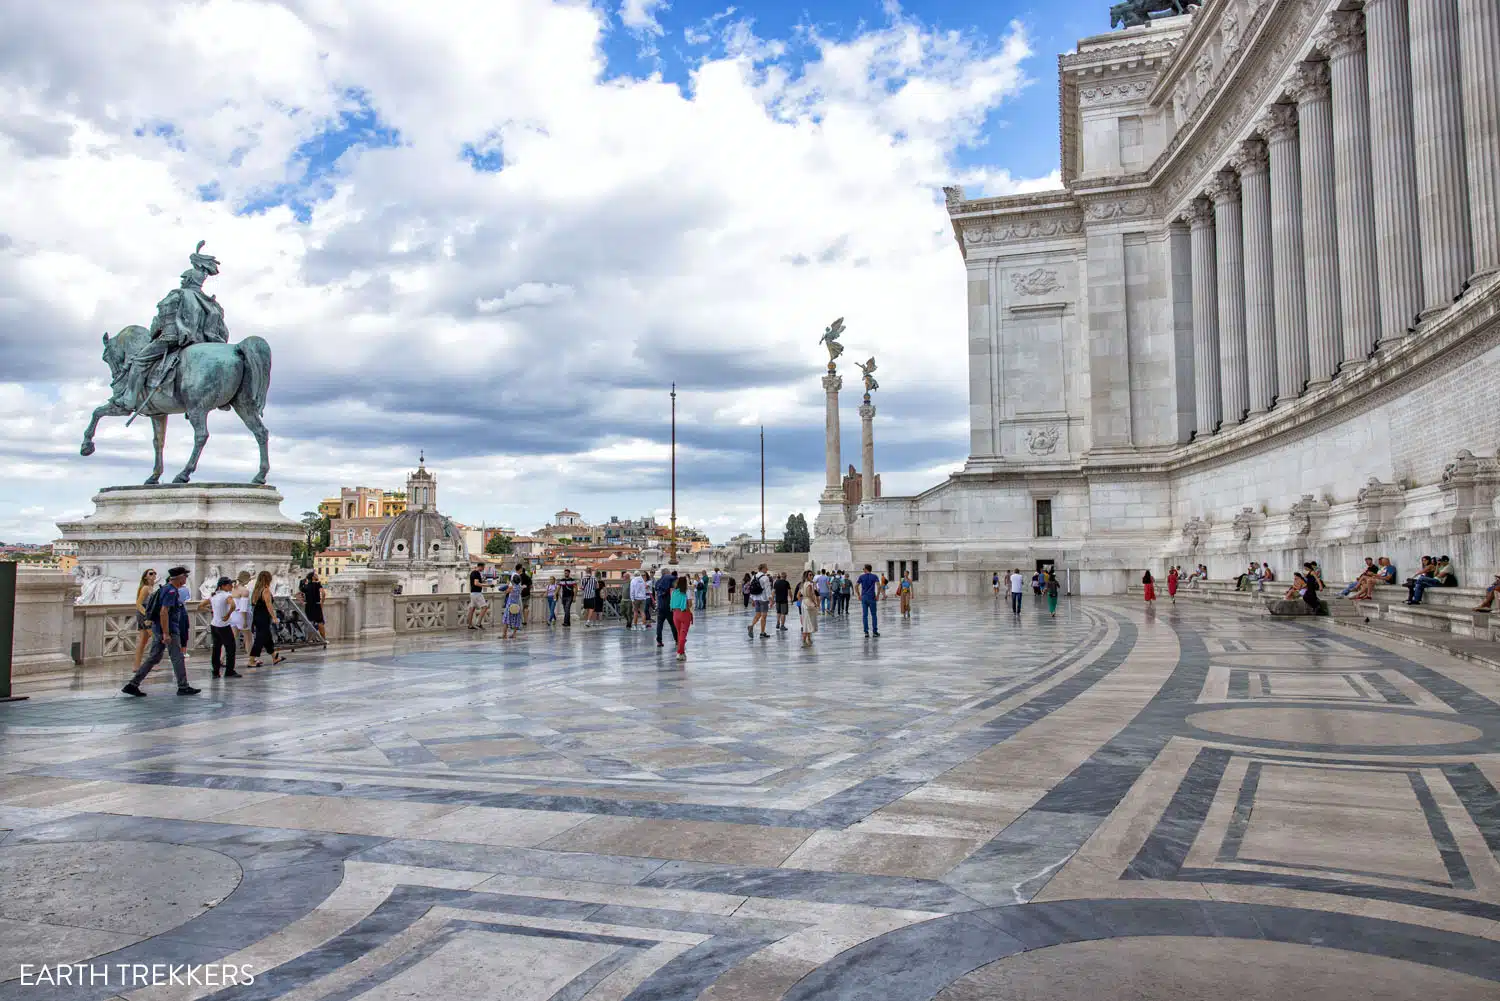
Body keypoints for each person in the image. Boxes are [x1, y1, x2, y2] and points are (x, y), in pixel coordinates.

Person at [122, 566, 199, 697]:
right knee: (177, 657)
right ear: (179, 578)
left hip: (159, 628)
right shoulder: (171, 591)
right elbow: (164, 612)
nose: (186, 578)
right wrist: (166, 633)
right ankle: (183, 686)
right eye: (185, 576)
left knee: (153, 657)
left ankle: (132, 684)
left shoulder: (164, 589)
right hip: (168, 629)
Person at [247, 570, 285, 667]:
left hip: (257, 616)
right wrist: (274, 617)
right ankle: (251, 660)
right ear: (268, 579)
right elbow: (269, 606)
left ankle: (274, 657)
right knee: (260, 639)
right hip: (263, 617)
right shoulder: (265, 590)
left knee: (267, 637)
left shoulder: (257, 590)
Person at [205, 575, 241, 678]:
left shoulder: (214, 596)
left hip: (214, 624)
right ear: (224, 586)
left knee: (216, 648)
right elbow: (233, 605)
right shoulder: (226, 595)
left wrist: (209, 610)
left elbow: (201, 605)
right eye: (230, 585)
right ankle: (229, 671)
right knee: (230, 647)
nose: (231, 587)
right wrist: (228, 614)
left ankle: (215, 671)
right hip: (224, 625)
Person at [130, 568, 158, 674]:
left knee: (143, 641)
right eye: (151, 573)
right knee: (155, 639)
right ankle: (150, 664)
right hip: (145, 615)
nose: (153, 575)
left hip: (146, 614)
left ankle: (137, 666)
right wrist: (147, 615)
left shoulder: (151, 587)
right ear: (145, 576)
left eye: (155, 573)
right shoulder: (146, 588)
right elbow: (138, 603)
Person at [670, 574, 694, 661]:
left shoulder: (674, 592)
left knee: (679, 633)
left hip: (675, 614)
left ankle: (682, 652)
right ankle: (679, 652)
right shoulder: (687, 592)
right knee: (683, 634)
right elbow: (690, 604)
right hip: (684, 614)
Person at [230, 570, 253, 656]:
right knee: (248, 638)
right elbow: (243, 608)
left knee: (232, 638)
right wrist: (244, 621)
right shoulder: (244, 591)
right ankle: (251, 658)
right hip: (241, 616)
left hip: (233, 615)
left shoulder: (233, 589)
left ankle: (221, 658)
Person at [655, 568, 679, 647]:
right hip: (668, 605)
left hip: (660, 606)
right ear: (666, 573)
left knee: (659, 624)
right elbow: (676, 579)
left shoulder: (658, 581)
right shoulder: (668, 578)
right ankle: (677, 640)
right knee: (672, 624)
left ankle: (659, 641)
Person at [747, 563, 773, 638]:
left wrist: (752, 599)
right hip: (763, 599)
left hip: (756, 599)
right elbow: (768, 591)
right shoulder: (765, 578)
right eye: (766, 568)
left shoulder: (753, 576)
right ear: (763, 568)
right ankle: (762, 632)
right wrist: (771, 600)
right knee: (764, 616)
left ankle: (751, 626)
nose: (767, 569)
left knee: (758, 615)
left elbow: (751, 588)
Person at [299, 571, 325, 638]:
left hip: (308, 606)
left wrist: (302, 602)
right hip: (316, 605)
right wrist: (322, 602)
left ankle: (309, 639)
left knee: (310, 623)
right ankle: (323, 639)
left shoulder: (306, 586)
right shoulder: (317, 584)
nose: (317, 575)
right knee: (320, 622)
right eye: (315, 575)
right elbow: (323, 593)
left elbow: (298, 594)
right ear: (313, 577)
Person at [857, 564, 881, 636]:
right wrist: (877, 595)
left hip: (864, 597)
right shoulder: (874, 576)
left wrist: (859, 595)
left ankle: (866, 632)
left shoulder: (861, 577)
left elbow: (856, 586)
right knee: (874, 615)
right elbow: (879, 586)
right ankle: (874, 632)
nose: (863, 570)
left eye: (863, 569)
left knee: (865, 615)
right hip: (871, 597)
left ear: (866, 569)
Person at [798, 570, 819, 646]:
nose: (812, 576)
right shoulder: (809, 584)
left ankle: (807, 639)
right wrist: (815, 603)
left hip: (804, 602)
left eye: (812, 575)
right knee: (808, 622)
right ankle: (805, 639)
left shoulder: (802, 584)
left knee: (806, 621)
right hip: (809, 602)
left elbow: (798, 595)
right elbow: (811, 595)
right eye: (810, 575)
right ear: (807, 576)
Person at [500, 573, 524, 640]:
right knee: (516, 620)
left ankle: (504, 634)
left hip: (510, 605)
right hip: (517, 605)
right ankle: (514, 634)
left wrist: (508, 584)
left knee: (506, 620)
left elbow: (505, 592)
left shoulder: (511, 587)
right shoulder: (519, 587)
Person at [466, 562, 488, 629]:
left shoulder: (472, 573)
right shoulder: (476, 573)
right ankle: (478, 623)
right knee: (484, 607)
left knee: (472, 609)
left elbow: (476, 582)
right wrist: (487, 585)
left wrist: (482, 581)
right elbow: (476, 583)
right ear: (480, 566)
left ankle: (470, 625)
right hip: (477, 593)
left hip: (472, 593)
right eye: (483, 567)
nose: (484, 569)